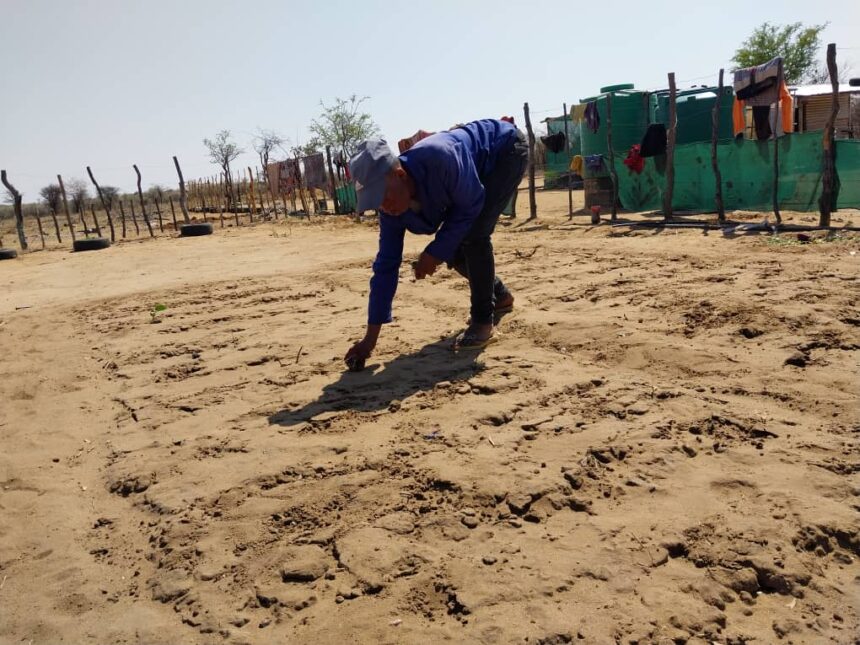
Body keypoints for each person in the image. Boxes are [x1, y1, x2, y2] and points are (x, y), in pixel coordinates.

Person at [344, 118, 528, 366]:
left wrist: (433, 253)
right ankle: (500, 295)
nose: (382, 206)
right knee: (451, 247)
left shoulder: (440, 158)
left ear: (400, 174)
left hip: (504, 151)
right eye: (374, 201)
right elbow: (386, 267)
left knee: (473, 234)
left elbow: (471, 203)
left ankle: (483, 322)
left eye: (383, 195)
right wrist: (370, 340)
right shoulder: (391, 212)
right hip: (472, 173)